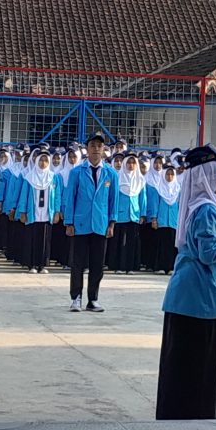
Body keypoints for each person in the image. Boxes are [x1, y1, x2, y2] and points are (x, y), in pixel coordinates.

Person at [156, 143, 216, 420]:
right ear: (208, 175)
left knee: (181, 369)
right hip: (200, 299)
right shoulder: (207, 210)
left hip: (188, 297)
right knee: (198, 371)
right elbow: (210, 253)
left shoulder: (197, 205)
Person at [64, 132, 118, 312]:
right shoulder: (76, 172)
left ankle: (93, 299)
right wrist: (69, 222)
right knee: (78, 263)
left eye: (99, 146)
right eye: (92, 145)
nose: (96, 149)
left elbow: (113, 200)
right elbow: (70, 197)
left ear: (103, 149)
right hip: (81, 223)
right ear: (87, 149)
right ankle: (76, 297)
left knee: (97, 265)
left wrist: (111, 223)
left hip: (100, 223)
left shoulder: (111, 173)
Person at [17, 149, 63, 274]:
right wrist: (22, 212)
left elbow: (57, 196)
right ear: (36, 161)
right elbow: (24, 195)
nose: (43, 163)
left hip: (47, 213)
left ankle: (42, 265)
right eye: (41, 160)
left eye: (46, 160)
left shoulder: (53, 177)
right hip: (33, 212)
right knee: (32, 239)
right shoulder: (29, 177)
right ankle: (32, 264)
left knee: (45, 240)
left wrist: (57, 211)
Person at [109, 153, 147, 274]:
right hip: (120, 215)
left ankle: (130, 267)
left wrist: (142, 214)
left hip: (134, 215)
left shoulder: (140, 180)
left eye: (133, 163)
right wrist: (113, 214)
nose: (131, 165)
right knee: (120, 242)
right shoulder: (118, 178)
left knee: (132, 242)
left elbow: (143, 198)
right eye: (129, 163)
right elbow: (114, 198)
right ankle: (119, 266)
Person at [149, 165, 180, 274]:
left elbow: (181, 206)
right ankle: (160, 267)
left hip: (174, 221)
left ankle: (171, 267)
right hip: (162, 221)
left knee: (172, 245)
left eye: (172, 174)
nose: (170, 176)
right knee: (161, 244)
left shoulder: (178, 190)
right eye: (167, 174)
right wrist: (154, 218)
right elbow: (155, 204)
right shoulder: (159, 189)